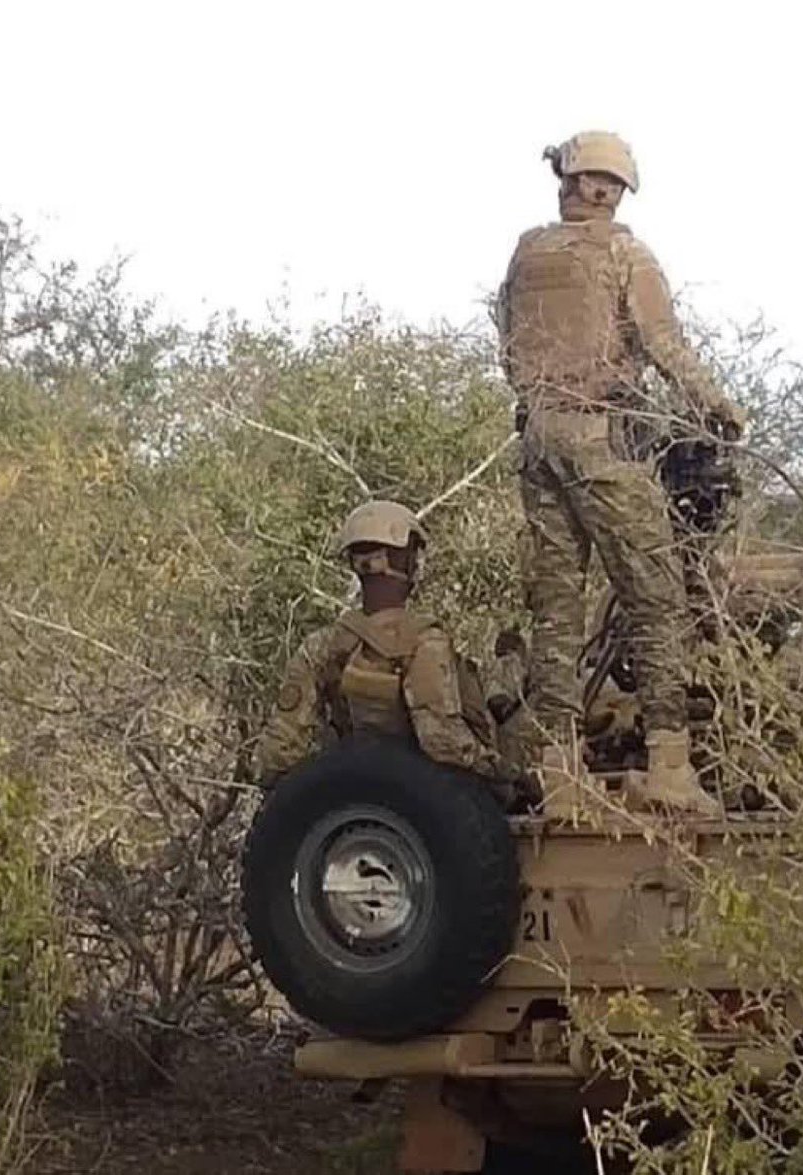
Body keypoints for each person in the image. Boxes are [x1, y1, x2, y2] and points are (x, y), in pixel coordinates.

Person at [496, 130, 745, 817]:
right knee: (655, 596)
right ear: (614, 188)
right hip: (604, 439)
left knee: (556, 613)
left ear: (568, 181)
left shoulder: (526, 253)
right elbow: (664, 343)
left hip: (539, 438)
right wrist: (718, 408)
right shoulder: (624, 254)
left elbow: (508, 350)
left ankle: (561, 775)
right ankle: (669, 763)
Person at [256, 500, 506, 789]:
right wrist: (503, 774)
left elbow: (279, 753)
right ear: (405, 561)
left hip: (350, 797)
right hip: (422, 800)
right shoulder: (425, 642)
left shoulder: (321, 646)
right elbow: (444, 743)